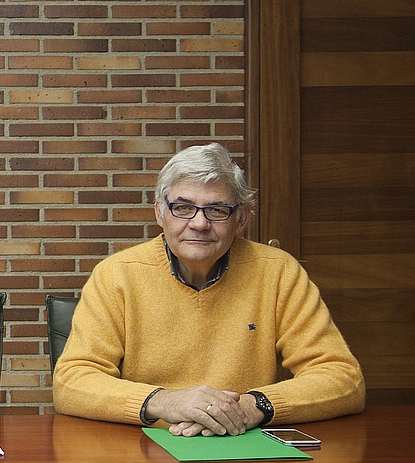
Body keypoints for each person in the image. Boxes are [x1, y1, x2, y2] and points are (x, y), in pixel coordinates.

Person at [53, 143, 364, 437]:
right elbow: (72, 382)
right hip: (144, 449)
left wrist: (250, 406)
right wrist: (167, 402)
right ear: (160, 213)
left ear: (241, 219)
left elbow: (343, 379)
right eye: (183, 207)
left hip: (245, 445)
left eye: (216, 210)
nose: (199, 223)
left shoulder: (279, 272)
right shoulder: (115, 276)